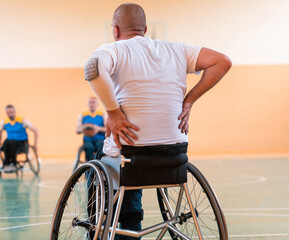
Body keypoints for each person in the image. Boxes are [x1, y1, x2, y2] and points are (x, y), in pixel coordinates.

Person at [84, 3, 231, 239]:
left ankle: (108, 230)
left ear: (115, 30)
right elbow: (223, 61)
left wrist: (113, 113)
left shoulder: (116, 49)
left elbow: (92, 68)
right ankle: (131, 226)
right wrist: (190, 99)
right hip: (175, 158)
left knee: (100, 167)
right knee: (135, 165)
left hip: (132, 158)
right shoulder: (178, 50)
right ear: (145, 28)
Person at [0, 105, 38, 171]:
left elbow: (35, 131)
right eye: (8, 113)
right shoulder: (5, 122)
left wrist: (35, 144)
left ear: (14, 112)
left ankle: (13, 163)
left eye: (11, 112)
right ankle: (7, 163)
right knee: (6, 142)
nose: (9, 114)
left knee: (11, 142)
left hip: (21, 143)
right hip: (9, 143)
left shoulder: (22, 121)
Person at [76, 97, 106, 161]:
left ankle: (100, 163)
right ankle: (89, 165)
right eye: (90, 102)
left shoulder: (102, 115)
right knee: (89, 147)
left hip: (100, 139)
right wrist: (85, 127)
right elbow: (77, 130)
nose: (92, 104)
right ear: (88, 104)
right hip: (88, 140)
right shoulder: (83, 115)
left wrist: (98, 129)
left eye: (94, 102)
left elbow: (108, 129)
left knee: (100, 145)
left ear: (97, 104)